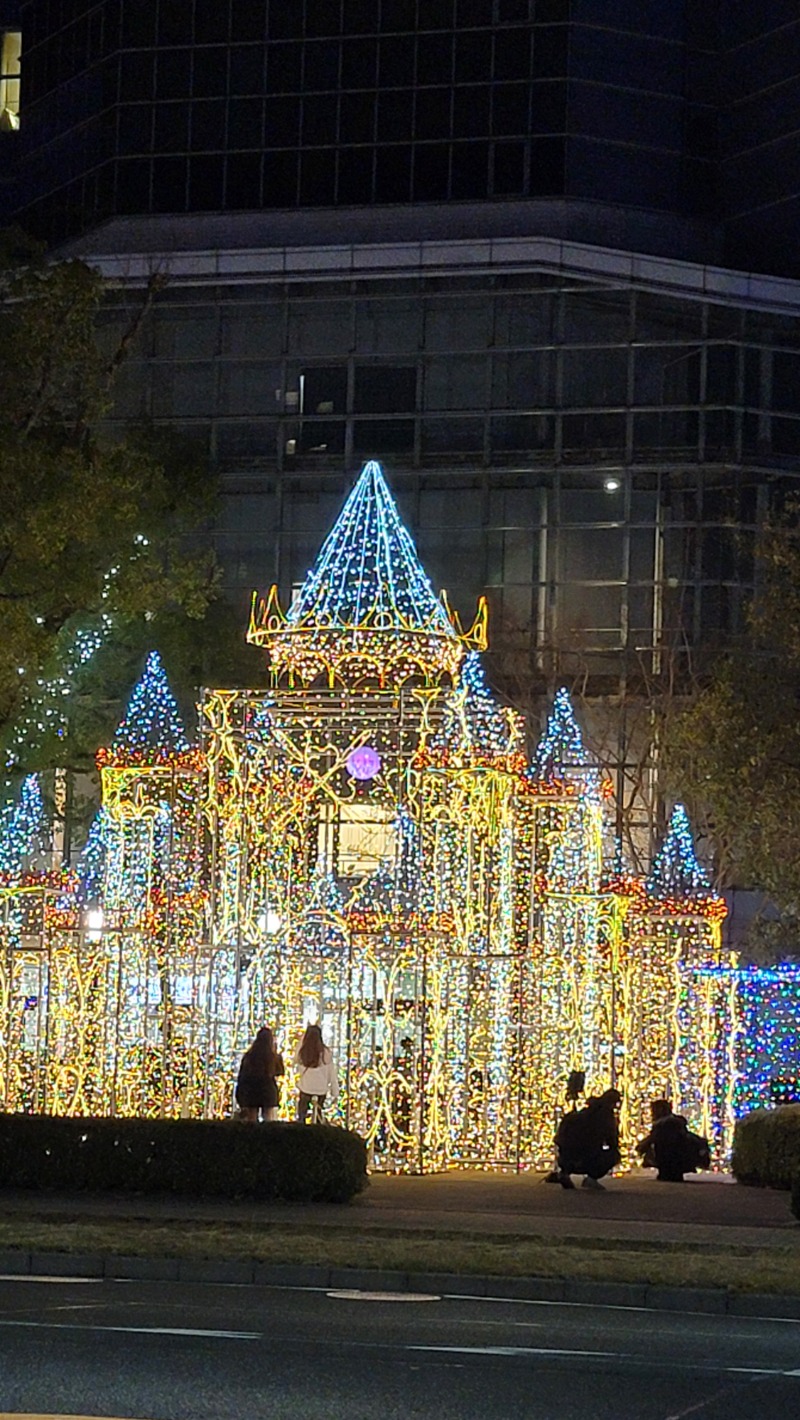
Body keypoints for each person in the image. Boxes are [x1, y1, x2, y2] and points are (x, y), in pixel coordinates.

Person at [555, 1088, 622, 1190]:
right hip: (588, 1155)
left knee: (573, 1153)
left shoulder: (579, 1115)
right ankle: (592, 1177)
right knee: (613, 1155)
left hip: (567, 1154)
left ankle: (565, 1172)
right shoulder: (605, 1117)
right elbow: (611, 1139)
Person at [636, 1098, 710, 1182]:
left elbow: (653, 1138)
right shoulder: (676, 1122)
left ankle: (666, 1170)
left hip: (668, 1156)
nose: (652, 1114)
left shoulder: (662, 1125)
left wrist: (641, 1147)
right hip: (680, 1156)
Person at [235, 1026, 284, 1123]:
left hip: (251, 1091)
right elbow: (280, 1072)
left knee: (251, 1120)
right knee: (269, 1121)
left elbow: (243, 1074)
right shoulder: (273, 1057)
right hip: (268, 1092)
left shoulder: (249, 1056)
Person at [295, 1023, 338, 1123]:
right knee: (319, 1115)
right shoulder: (326, 1053)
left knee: (302, 1115)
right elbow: (332, 1074)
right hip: (321, 1090)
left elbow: (295, 1060)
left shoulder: (302, 1052)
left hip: (305, 1088)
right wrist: (334, 1092)